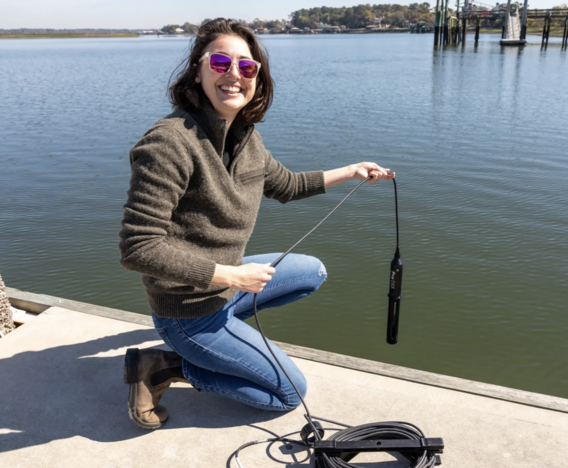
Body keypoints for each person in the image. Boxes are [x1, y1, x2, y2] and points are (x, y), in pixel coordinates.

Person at [119, 18, 394, 430]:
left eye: (247, 67)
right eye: (220, 62)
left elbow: (286, 185)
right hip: (187, 310)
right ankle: (163, 365)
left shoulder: (245, 136)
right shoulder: (168, 144)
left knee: (311, 271)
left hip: (226, 286)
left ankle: (223, 336)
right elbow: (137, 248)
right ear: (198, 69)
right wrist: (229, 274)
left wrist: (352, 170)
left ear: (257, 76)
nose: (234, 75)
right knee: (288, 393)